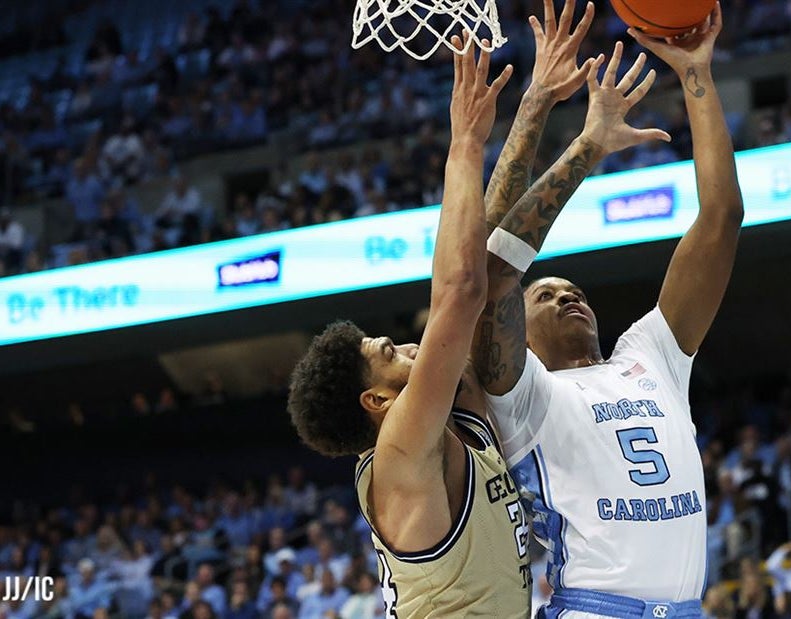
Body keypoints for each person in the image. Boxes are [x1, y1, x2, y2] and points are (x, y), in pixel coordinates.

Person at [472, 4, 742, 616]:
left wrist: (696, 75)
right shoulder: (523, 392)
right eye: (545, 294)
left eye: (576, 292)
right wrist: (584, 142)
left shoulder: (650, 357)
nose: (567, 295)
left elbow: (721, 219)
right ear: (522, 334)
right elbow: (490, 274)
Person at [285, 35, 524, 617]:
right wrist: (464, 144)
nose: (414, 347)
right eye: (391, 352)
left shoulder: (450, 423)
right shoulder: (399, 453)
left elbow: (485, 270)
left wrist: (539, 102)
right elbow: (460, 293)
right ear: (376, 399)